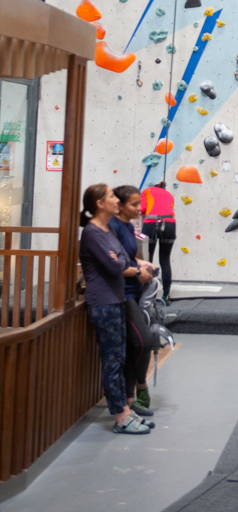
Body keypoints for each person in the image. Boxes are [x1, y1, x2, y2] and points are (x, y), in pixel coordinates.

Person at [79, 183, 151, 434]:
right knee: (112, 361)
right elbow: (115, 266)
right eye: (112, 196)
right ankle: (121, 416)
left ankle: (126, 410)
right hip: (103, 302)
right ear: (100, 204)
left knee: (119, 359)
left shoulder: (108, 230)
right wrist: (119, 260)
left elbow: (122, 258)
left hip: (116, 299)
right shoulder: (92, 233)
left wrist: (118, 259)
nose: (116, 200)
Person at [111, 185, 156, 416]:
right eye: (134, 204)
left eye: (140, 203)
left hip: (134, 289)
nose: (140, 208)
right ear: (119, 205)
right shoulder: (112, 226)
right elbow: (114, 263)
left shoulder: (128, 226)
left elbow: (127, 257)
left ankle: (131, 399)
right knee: (143, 342)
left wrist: (141, 263)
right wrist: (138, 271)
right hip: (122, 293)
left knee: (134, 345)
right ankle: (141, 386)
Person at [141, 180, 176, 302]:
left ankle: (148, 296)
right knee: (165, 260)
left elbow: (143, 209)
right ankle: (166, 296)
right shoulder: (169, 194)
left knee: (148, 260)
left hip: (151, 223)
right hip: (169, 224)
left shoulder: (147, 191)